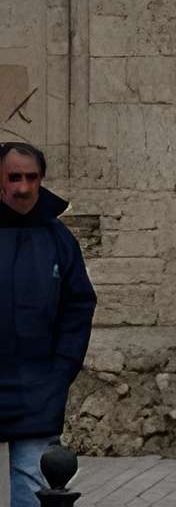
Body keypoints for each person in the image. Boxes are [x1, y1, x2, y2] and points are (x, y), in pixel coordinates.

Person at [0, 145, 91, 507]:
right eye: (14, 177)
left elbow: (79, 306)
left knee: (32, 486)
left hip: (37, 387)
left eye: (31, 177)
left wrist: (62, 368)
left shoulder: (59, 240)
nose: (23, 188)